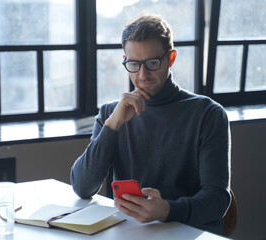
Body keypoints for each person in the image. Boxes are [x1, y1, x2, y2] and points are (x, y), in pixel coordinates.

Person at [70, 12, 231, 235]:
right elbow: (82, 187)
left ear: (171, 59)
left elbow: (218, 199)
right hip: (129, 233)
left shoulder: (208, 114)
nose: (143, 74)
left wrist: (168, 210)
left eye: (153, 63)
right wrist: (112, 125)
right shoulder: (112, 113)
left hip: (188, 233)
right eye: (134, 64)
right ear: (125, 61)